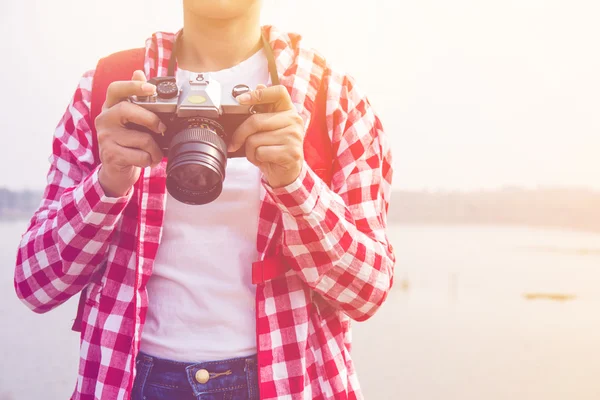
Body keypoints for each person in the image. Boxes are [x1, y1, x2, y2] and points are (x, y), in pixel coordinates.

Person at [14, 1, 395, 399]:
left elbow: (367, 293)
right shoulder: (109, 90)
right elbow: (35, 285)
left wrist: (295, 183)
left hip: (286, 384)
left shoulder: (333, 99)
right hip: (127, 380)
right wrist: (108, 182)